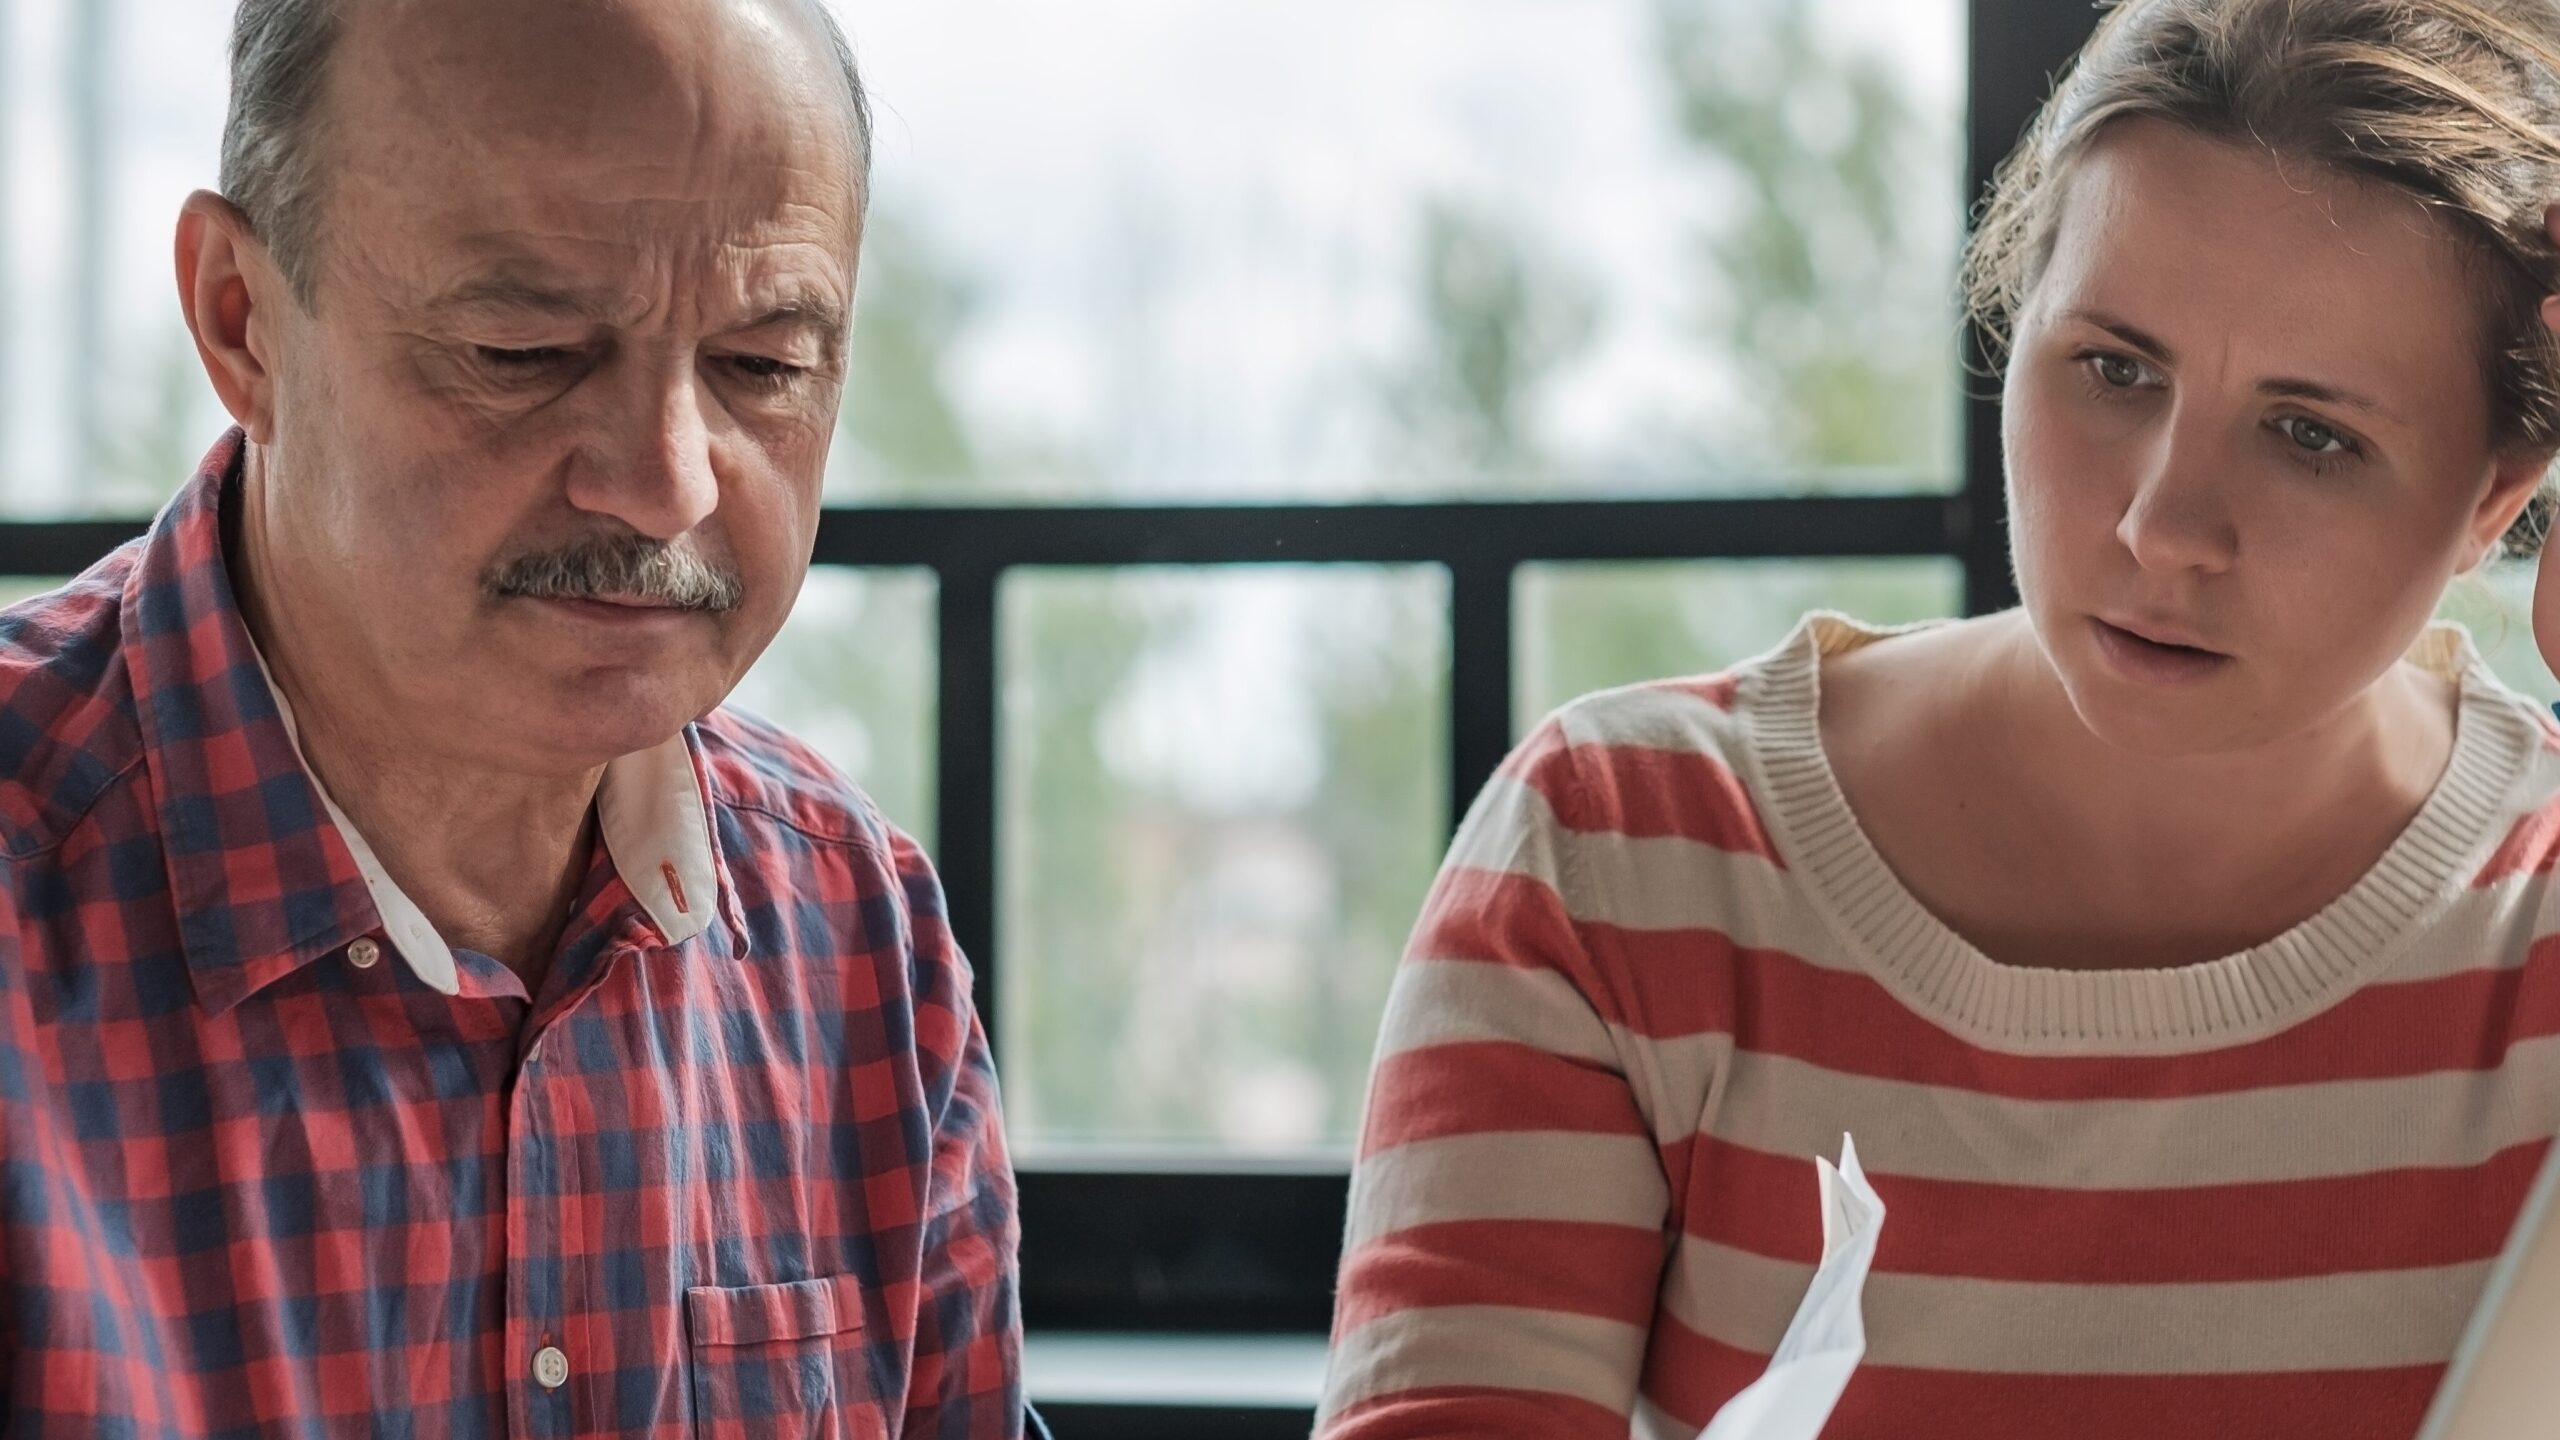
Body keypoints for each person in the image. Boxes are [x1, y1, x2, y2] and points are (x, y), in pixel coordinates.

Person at [1319, 1, 2560, 1436]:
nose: (2164, 527)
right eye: (2113, 367)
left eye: (2311, 435)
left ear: (2495, 499)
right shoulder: (1622, 856)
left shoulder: (2533, 926)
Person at [0, 1, 1021, 1434]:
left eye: (763, 369)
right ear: (242, 321)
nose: (668, 482)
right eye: (525, 351)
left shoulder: (860, 934)